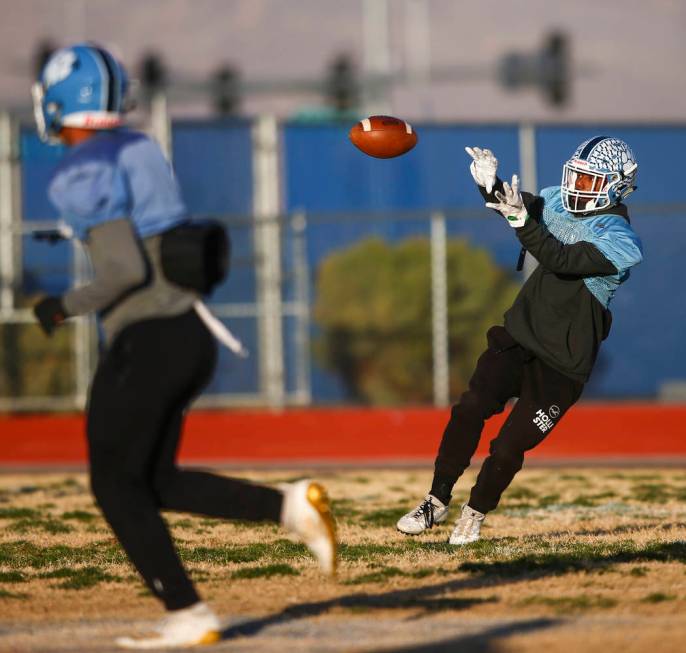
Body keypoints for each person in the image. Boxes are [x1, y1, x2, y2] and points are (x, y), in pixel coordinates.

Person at [32, 43, 336, 649]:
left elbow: (122, 272)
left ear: (61, 102)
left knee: (113, 484)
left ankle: (188, 612)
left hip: (148, 337)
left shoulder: (80, 169)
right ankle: (289, 508)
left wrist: (61, 305)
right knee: (151, 480)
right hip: (188, 333)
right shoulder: (138, 146)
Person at [397, 137, 643, 545]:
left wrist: (519, 221)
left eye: (588, 180)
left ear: (616, 185)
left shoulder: (620, 240)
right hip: (520, 336)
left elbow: (559, 259)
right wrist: (489, 185)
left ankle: (474, 513)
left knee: (509, 447)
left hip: (563, 364)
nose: (576, 187)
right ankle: (435, 500)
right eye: (576, 176)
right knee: (470, 406)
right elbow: (518, 205)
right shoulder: (559, 202)